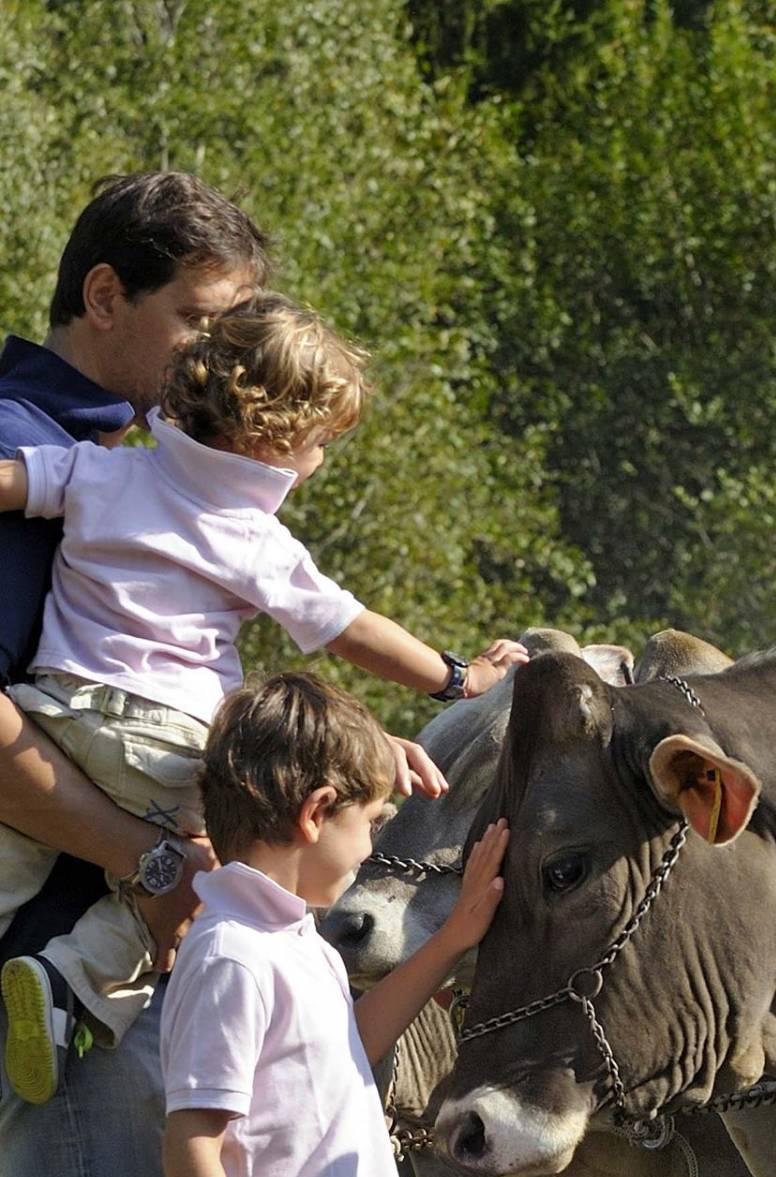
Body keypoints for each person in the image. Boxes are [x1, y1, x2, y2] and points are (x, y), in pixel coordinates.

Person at [0, 289, 528, 1109]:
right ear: (272, 442)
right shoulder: (254, 539)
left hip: (56, 713)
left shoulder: (104, 468)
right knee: (203, 873)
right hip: (172, 747)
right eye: (318, 445)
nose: (318, 463)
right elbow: (354, 631)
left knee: (13, 846)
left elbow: (10, 481)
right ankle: (66, 983)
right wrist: (460, 677)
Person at [0, 171, 268, 1177]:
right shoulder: (22, 452)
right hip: (50, 979)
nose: (220, 362)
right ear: (104, 295)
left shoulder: (131, 460)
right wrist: (157, 868)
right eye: (198, 323)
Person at [162, 672, 508, 1177]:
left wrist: (453, 938)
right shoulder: (233, 956)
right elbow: (192, 1143)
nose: (373, 847)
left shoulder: (296, 940)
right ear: (317, 812)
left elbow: (353, 1045)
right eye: (373, 823)